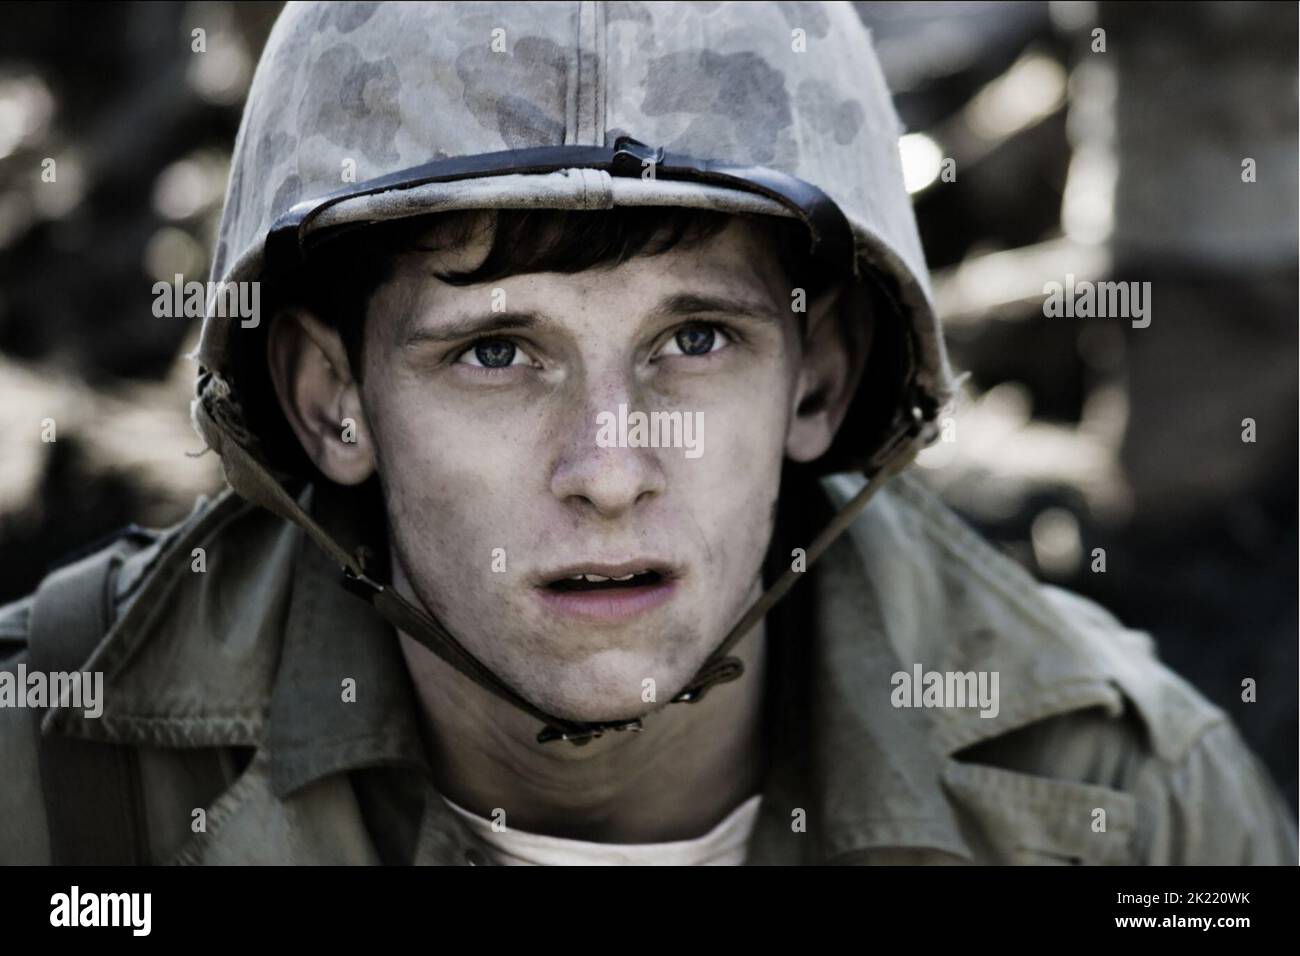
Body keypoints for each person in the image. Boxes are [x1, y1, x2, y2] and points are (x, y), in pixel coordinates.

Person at [0, 1, 1293, 865]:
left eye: (696, 342)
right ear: (331, 398)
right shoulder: (51, 770)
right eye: (497, 353)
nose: (608, 469)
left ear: (819, 384)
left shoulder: (1136, 808)